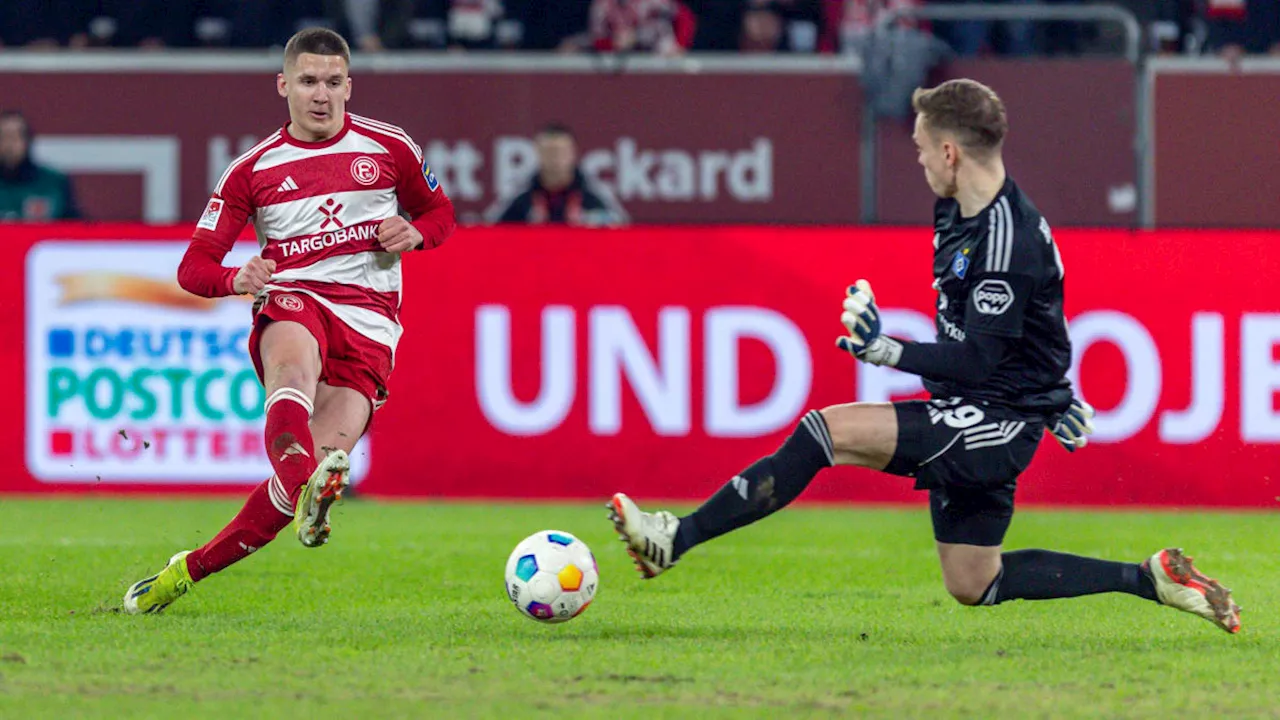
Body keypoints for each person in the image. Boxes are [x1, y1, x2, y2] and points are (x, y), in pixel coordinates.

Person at [607, 78, 1243, 635]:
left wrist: (885, 348)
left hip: (993, 416)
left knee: (824, 432)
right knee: (974, 580)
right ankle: (1150, 579)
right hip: (995, 406)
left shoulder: (1006, 239)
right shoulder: (958, 210)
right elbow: (1028, 326)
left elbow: (977, 363)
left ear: (950, 150)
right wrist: (1054, 390)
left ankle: (675, 538)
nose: (916, 159)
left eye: (919, 147)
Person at [122, 27, 456, 614]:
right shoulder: (253, 170)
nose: (320, 94)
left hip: (373, 326)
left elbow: (440, 212)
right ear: (284, 86)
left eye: (332, 82)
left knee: (290, 494)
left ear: (349, 86)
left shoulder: (390, 147)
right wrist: (236, 279)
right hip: (295, 298)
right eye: (307, 82)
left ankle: (186, 571)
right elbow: (193, 266)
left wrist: (417, 233)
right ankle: (310, 477)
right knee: (292, 369)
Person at [485, 123, 628, 227]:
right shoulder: (521, 196)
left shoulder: (594, 195)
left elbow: (622, 230)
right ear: (538, 153)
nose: (555, 158)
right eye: (549, 151)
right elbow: (490, 232)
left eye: (560, 151)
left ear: (572, 153)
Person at [0, 111, 80, 222]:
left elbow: (74, 224)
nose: (9, 145)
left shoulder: (53, 182)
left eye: (15, 137)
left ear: (28, 141)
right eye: (3, 137)